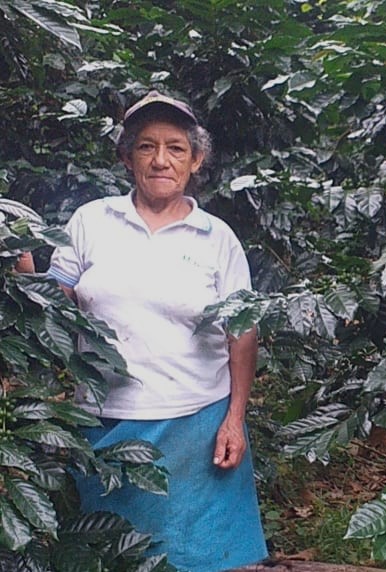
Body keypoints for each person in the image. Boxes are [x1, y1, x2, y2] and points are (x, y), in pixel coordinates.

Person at [48, 91, 267, 571]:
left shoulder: (217, 239)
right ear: (127, 157)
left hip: (196, 430)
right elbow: (51, 307)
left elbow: (242, 333)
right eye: (146, 146)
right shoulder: (91, 221)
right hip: (102, 425)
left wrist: (234, 419)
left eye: (176, 148)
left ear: (196, 160)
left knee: (201, 559)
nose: (161, 160)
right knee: (104, 556)